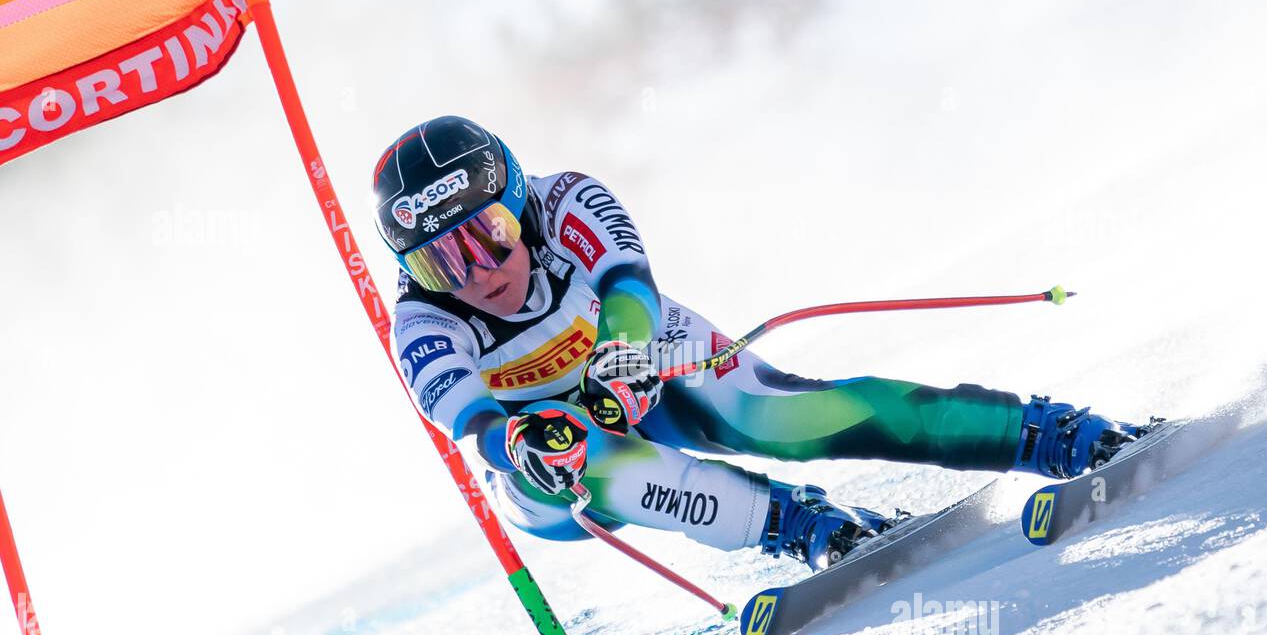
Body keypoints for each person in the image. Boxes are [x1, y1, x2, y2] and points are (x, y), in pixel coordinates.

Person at [373, 116, 1142, 570]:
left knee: (783, 418)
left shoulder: (566, 197)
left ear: (517, 202)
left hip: (636, 352)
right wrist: (519, 442)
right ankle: (797, 526)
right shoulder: (421, 319)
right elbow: (467, 417)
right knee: (593, 458)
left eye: (491, 236)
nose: (476, 272)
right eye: (440, 259)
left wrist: (625, 365)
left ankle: (1046, 434)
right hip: (545, 465)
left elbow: (630, 290)